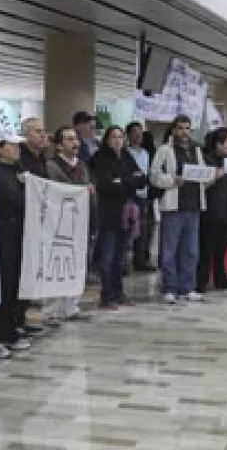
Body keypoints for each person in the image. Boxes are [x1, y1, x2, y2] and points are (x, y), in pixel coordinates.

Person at [150, 115, 220, 304]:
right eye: (180, 128)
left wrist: (210, 176)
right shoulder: (165, 150)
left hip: (193, 205)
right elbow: (154, 175)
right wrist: (172, 180)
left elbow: (203, 173)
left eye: (187, 128)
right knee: (170, 251)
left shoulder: (197, 149)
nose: (184, 132)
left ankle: (187, 287)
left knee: (191, 250)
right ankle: (169, 288)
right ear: (174, 130)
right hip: (173, 206)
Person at [0, 131, 31, 359]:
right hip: (2, 233)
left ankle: (10, 330)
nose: (17, 149)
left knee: (14, 286)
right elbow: (13, 197)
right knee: (2, 285)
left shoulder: (17, 168)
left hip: (18, 232)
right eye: (12, 145)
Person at [43, 126, 96, 325]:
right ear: (59, 145)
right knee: (57, 266)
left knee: (77, 265)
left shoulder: (82, 166)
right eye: (69, 139)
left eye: (76, 139)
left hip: (80, 222)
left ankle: (71, 306)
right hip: (59, 223)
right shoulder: (51, 167)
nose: (75, 143)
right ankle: (51, 310)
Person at [90, 126, 147, 309]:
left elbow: (141, 179)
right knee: (107, 257)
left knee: (120, 257)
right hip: (108, 213)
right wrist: (128, 181)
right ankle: (107, 295)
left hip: (126, 213)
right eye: (113, 137)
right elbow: (105, 184)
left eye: (120, 137)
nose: (117, 140)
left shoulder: (126, 156)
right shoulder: (99, 158)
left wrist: (122, 181)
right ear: (107, 139)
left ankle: (119, 292)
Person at [197, 128, 227, 292]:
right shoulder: (207, 159)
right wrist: (215, 175)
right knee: (206, 248)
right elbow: (203, 183)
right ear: (218, 144)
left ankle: (220, 278)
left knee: (222, 248)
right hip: (212, 211)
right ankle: (201, 280)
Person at [16, 117, 49, 338]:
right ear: (25, 135)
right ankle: (14, 320)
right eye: (37, 131)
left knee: (29, 272)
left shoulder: (42, 158)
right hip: (21, 222)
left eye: (43, 131)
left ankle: (22, 317)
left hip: (38, 221)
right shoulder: (21, 158)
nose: (42, 135)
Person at [126, 121, 157, 272]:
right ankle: (123, 262)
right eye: (134, 132)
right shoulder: (126, 153)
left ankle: (140, 260)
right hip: (129, 194)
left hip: (144, 194)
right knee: (127, 227)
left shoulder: (146, 153)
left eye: (140, 132)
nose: (137, 135)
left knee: (143, 229)